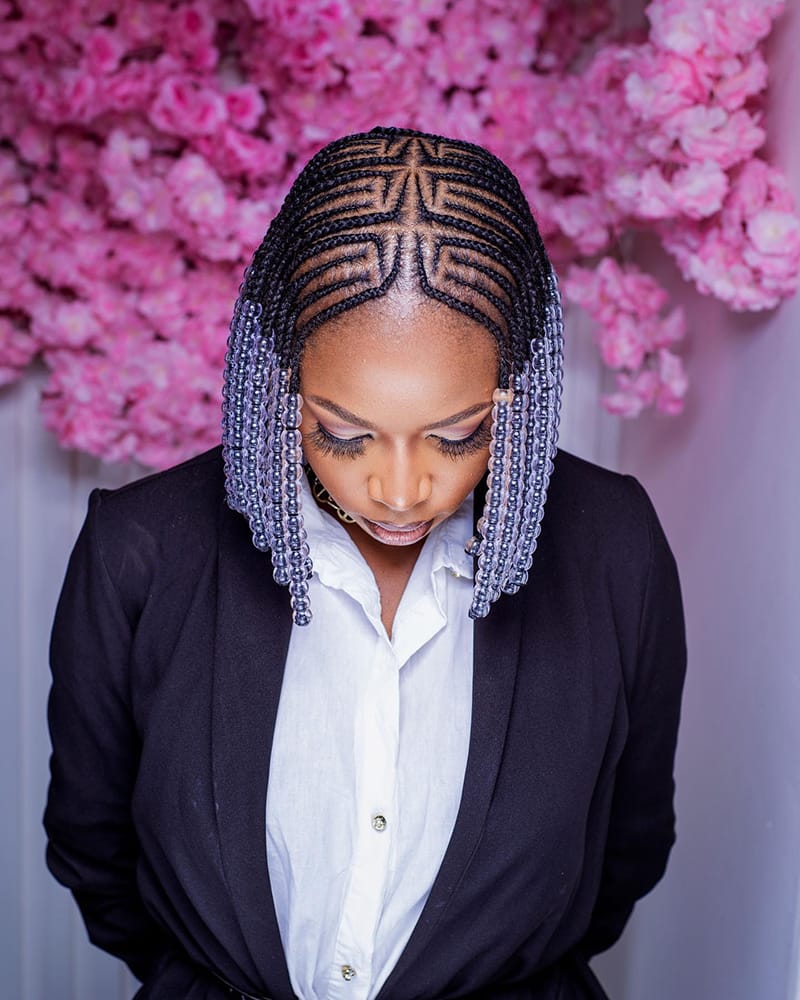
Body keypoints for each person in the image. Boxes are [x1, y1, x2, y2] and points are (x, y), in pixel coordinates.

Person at [44, 126, 686, 1000]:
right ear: (279, 377)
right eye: (343, 434)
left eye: (458, 435)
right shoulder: (142, 550)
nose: (399, 488)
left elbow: (626, 848)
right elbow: (94, 847)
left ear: (519, 387)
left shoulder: (614, 547)